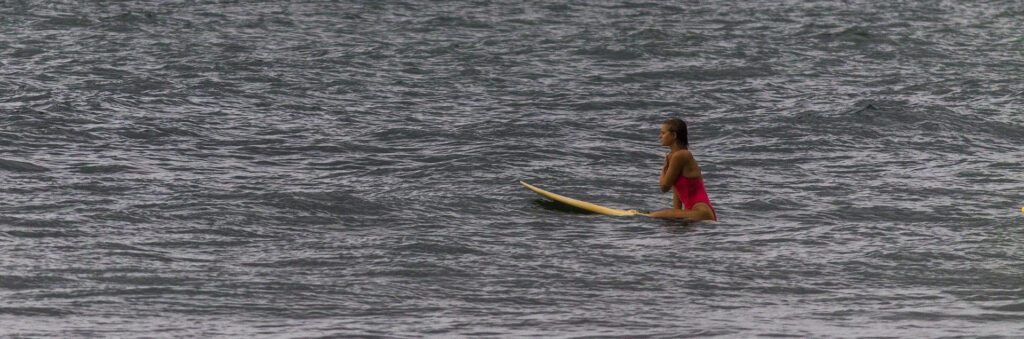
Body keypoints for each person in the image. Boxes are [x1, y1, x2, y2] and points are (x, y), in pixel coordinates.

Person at [649, 118, 717, 221]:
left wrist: (664, 168)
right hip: (694, 212)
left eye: (663, 133)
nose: (660, 136)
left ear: (674, 135)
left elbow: (664, 187)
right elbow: (677, 192)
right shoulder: (674, 156)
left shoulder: (681, 155)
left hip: (701, 212)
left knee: (656, 215)